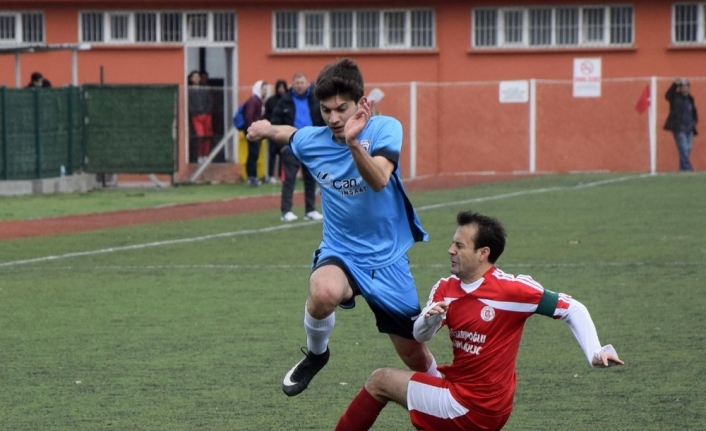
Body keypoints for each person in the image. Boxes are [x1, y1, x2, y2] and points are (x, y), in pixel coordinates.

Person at [247, 58, 439, 398]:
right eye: (326, 110)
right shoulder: (314, 140)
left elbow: (380, 178)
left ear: (361, 102)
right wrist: (265, 128)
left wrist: (353, 143)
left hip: (387, 259)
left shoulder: (384, 129)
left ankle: (447, 392)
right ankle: (317, 354)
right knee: (322, 293)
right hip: (342, 251)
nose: (334, 118)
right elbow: (289, 134)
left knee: (415, 356)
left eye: (342, 109)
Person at [334, 210, 625, 431]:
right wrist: (429, 320)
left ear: (483, 253)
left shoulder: (512, 290)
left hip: (471, 405)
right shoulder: (445, 288)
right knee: (422, 377)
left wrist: (595, 352)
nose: (450, 250)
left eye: (460, 246)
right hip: (473, 398)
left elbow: (573, 308)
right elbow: (420, 335)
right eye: (452, 243)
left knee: (379, 381)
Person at [270, 72, 323, 222]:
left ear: (307, 83)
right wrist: (281, 146)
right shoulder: (284, 101)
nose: (300, 85)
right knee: (289, 180)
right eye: (297, 83)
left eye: (302, 82)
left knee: (311, 178)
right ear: (292, 84)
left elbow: (322, 120)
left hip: (310, 145)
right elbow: (274, 122)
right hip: (290, 146)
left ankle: (310, 210)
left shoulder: (315, 100)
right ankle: (286, 211)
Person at [664, 78, 698, 172]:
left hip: (689, 127)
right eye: (683, 87)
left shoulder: (690, 98)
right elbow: (667, 95)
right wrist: (674, 84)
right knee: (683, 147)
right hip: (679, 127)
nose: (685, 89)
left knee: (688, 148)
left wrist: (694, 122)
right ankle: (687, 168)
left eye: (686, 87)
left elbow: (693, 111)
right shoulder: (675, 97)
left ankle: (682, 168)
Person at [242, 80, 268, 186]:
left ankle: (252, 176)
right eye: (263, 89)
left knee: (254, 154)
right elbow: (249, 116)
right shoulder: (254, 100)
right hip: (253, 131)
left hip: (255, 131)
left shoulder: (258, 100)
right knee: (253, 153)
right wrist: (253, 129)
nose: (265, 92)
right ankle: (251, 177)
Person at [263, 79, 289, 184]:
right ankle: (270, 175)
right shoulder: (271, 101)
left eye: (283, 87)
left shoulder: (288, 100)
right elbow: (266, 115)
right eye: (279, 87)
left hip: (285, 131)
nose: (281, 90)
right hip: (272, 131)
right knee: (272, 154)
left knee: (284, 154)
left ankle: (280, 175)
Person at [188, 70, 213, 164]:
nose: (196, 78)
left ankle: (206, 155)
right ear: (191, 79)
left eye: (197, 76)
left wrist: (207, 111)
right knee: (200, 136)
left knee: (207, 135)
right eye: (194, 76)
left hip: (206, 115)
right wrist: (195, 112)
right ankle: (199, 155)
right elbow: (189, 104)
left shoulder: (205, 89)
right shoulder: (189, 90)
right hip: (196, 116)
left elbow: (210, 102)